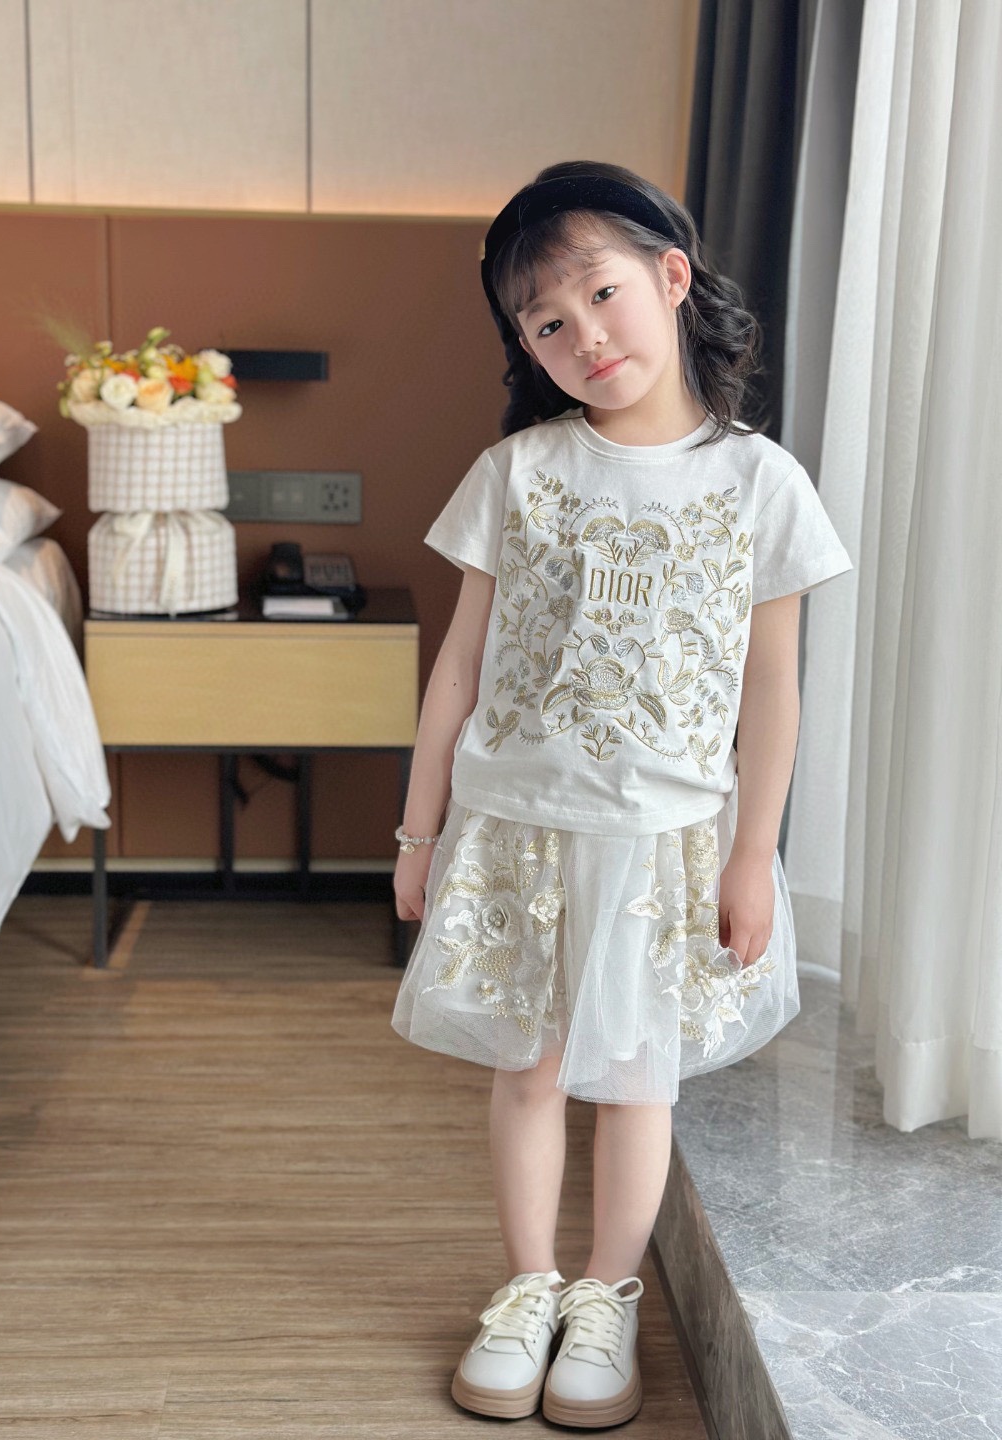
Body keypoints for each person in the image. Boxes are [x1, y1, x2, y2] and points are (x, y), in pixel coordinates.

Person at [390, 160, 853, 1430]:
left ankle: (605, 1300)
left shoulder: (761, 482)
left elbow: (772, 691)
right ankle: (528, 1288)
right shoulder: (520, 472)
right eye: (545, 322)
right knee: (529, 1068)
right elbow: (458, 670)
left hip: (666, 839)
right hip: (518, 829)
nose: (583, 336)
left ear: (670, 275)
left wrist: (753, 857)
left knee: (641, 1079)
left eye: (600, 294)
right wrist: (419, 829)